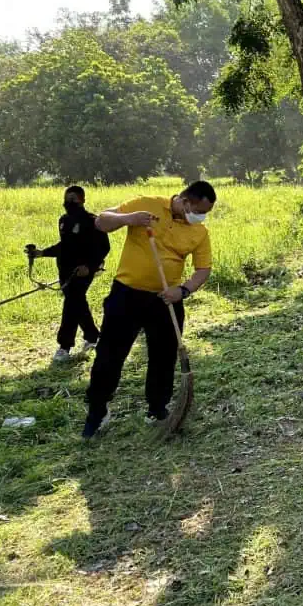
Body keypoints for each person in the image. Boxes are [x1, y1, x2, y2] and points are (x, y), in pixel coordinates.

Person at [81, 181, 217, 439]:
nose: (200, 217)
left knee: (164, 357)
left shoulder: (199, 232)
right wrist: (130, 219)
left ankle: (157, 408)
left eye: (205, 213)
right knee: (109, 355)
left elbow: (203, 270)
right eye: (199, 210)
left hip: (165, 300)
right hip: (127, 295)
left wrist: (183, 291)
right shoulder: (146, 204)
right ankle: (97, 412)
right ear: (186, 201)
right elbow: (101, 221)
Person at [27, 186, 111, 365]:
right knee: (77, 302)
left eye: (73, 199)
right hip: (65, 270)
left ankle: (64, 346)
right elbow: (64, 246)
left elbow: (104, 247)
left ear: (82, 200)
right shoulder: (63, 220)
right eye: (67, 199)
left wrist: (90, 267)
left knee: (72, 303)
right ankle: (92, 336)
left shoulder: (93, 221)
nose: (69, 202)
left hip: (83, 271)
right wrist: (41, 253)